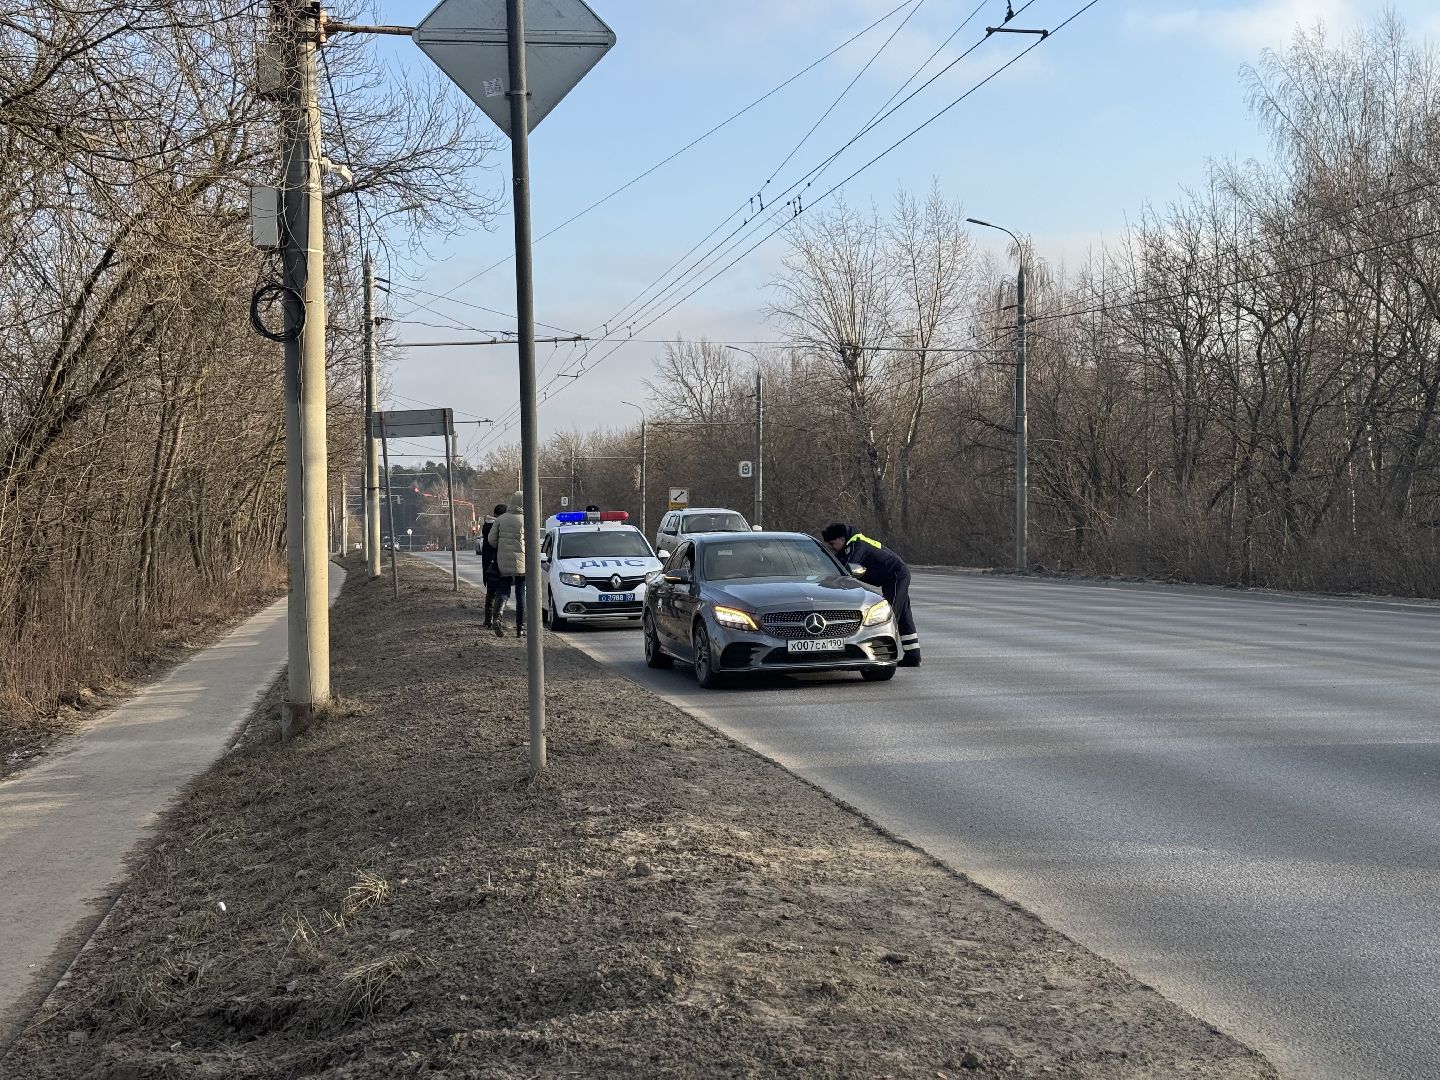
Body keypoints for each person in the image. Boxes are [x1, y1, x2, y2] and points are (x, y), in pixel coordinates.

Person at [820, 522, 920, 667]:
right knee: (904, 614)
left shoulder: (856, 545)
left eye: (832, 543)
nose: (831, 547)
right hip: (890, 578)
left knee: (889, 615)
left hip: (897, 574)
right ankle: (913, 656)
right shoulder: (849, 546)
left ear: (842, 539)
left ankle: (885, 656)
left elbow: (846, 570)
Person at [491, 491, 527, 638]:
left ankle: (498, 617)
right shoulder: (527, 520)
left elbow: (491, 540)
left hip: (503, 562)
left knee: (503, 590)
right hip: (522, 564)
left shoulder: (501, 519)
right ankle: (520, 627)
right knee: (520, 594)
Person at [480, 503, 506, 628]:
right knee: (500, 593)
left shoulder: (486, 526)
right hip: (498, 562)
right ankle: (497, 620)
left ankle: (487, 621)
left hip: (487, 564)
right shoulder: (499, 527)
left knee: (490, 594)